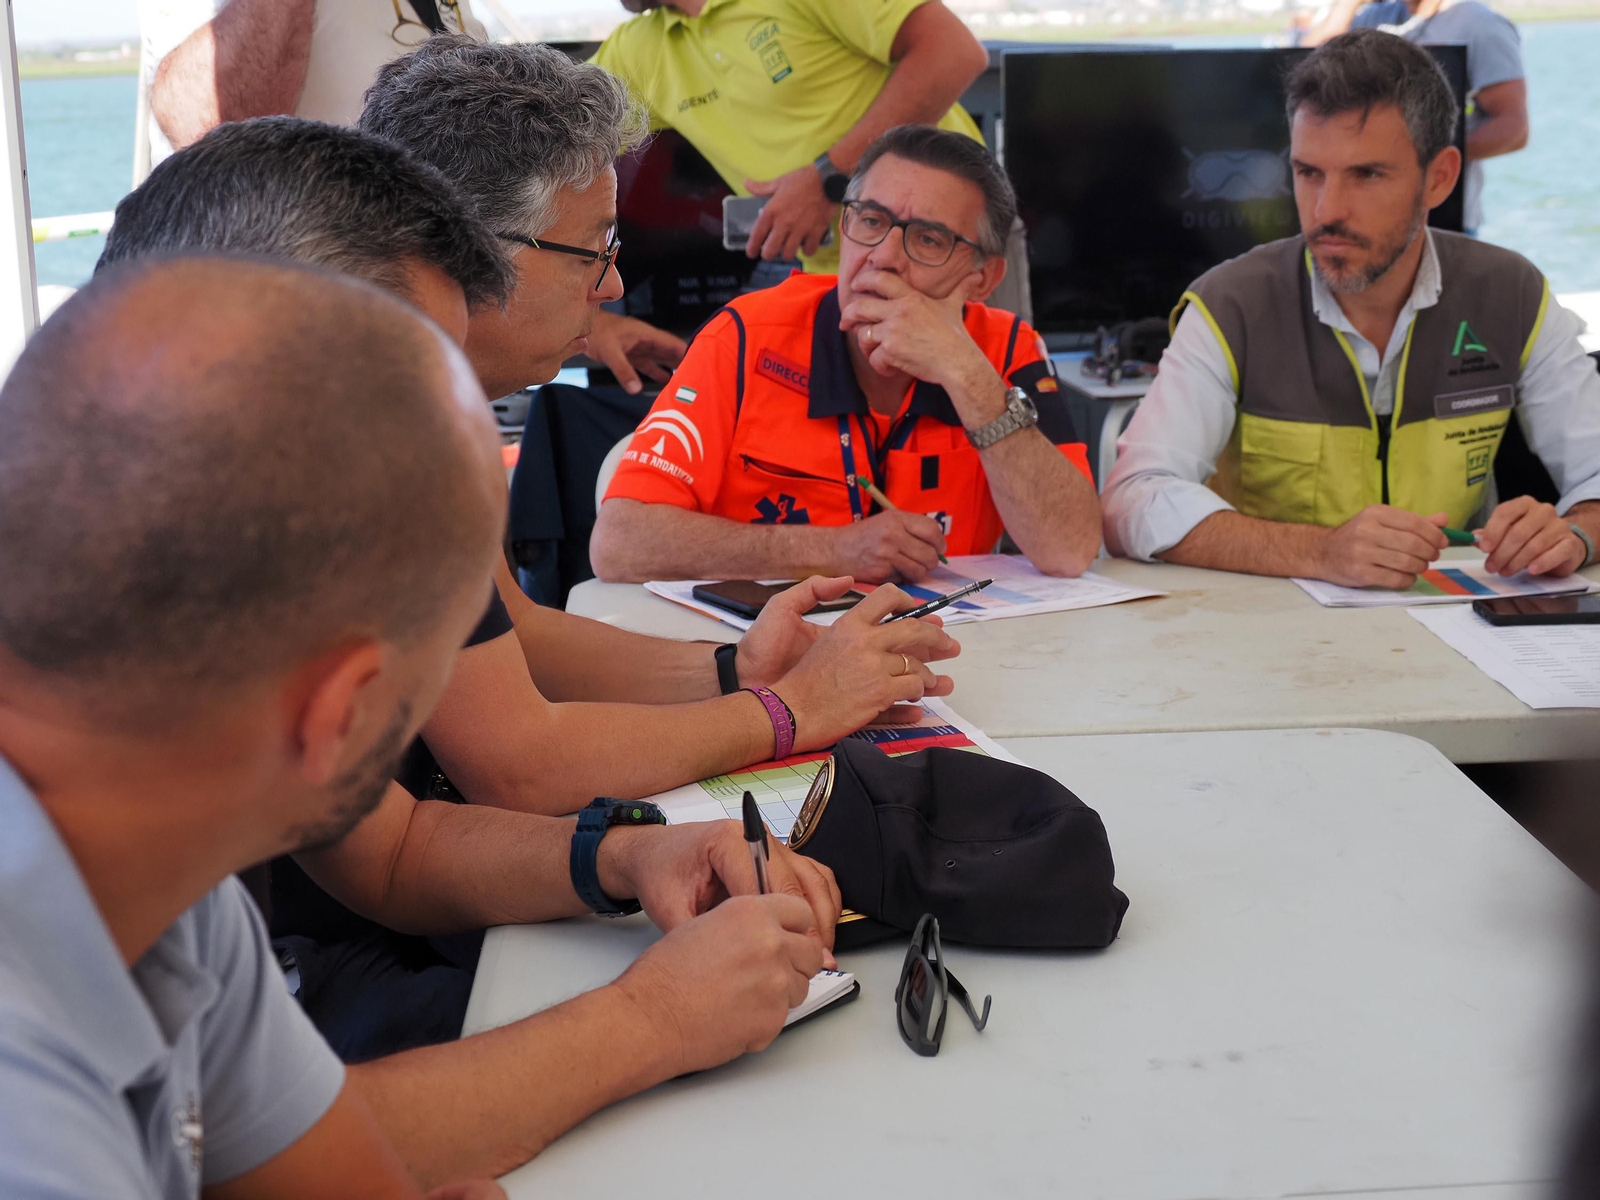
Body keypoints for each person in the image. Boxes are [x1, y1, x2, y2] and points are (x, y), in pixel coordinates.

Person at [99, 116, 952, 1093]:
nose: (430, 443)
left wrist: (628, 859)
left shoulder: (241, 560)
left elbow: (396, 846)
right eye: (399, 385)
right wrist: (648, 1021)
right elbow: (256, 1162)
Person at [1101, 31, 1600, 590]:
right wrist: (1320, 552)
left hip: (1461, 632)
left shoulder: (1512, 294)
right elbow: (1130, 500)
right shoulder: (1230, 305)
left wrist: (1575, 534)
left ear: (1440, 177)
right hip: (1266, 645)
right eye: (1308, 172)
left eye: (1366, 175)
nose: (1326, 210)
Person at [588, 124, 1103, 584]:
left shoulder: (1006, 348)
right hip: (764, 661)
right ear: (843, 227)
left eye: (928, 239)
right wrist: (837, 550)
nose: (884, 257)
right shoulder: (746, 336)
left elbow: (1070, 550)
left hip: (951, 658)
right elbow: (621, 544)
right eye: (872, 221)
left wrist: (966, 373)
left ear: (983, 278)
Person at [139, 0, 685, 396]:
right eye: (599, 254)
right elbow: (206, 125)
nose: (612, 284)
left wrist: (578, 313)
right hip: (318, 350)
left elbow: (528, 202)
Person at [591, 0, 990, 276]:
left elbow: (954, 52)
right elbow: (550, 137)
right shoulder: (639, 49)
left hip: (952, 247)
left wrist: (829, 178)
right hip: (840, 277)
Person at [1302, 0, 1527, 234]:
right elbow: (1304, 78)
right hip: (1365, 221)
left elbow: (1513, 129)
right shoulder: (1372, 19)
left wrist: (1417, 158)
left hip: (1441, 221)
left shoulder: (1481, 25)